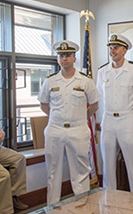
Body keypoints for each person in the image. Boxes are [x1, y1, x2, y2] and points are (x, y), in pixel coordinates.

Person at [38, 40, 100, 205]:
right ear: (58, 59)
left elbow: (94, 105)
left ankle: (82, 206)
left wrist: (79, 117)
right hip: (55, 129)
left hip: (78, 129)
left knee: (81, 171)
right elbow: (44, 104)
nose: (64, 59)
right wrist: (57, 118)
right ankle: (53, 207)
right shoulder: (50, 81)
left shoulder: (85, 81)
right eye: (61, 56)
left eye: (67, 55)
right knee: (53, 172)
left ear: (74, 58)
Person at [94, 34, 133, 194]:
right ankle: (110, 202)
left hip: (128, 119)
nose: (112, 51)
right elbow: (98, 96)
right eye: (110, 47)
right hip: (108, 119)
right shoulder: (103, 71)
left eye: (116, 47)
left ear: (124, 50)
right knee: (108, 165)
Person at [0, 115, 29, 214]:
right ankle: (1, 211)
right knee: (2, 176)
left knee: (19, 159)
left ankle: (12, 196)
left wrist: (1, 132)